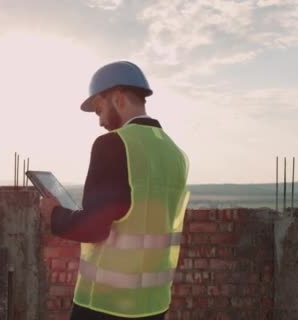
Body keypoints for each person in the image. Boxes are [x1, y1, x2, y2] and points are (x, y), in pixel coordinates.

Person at [40, 61, 190, 320]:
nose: (99, 122)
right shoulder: (176, 154)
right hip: (153, 304)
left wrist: (54, 214)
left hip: (104, 305)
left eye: (99, 110)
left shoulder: (113, 145)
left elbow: (93, 227)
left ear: (118, 99)